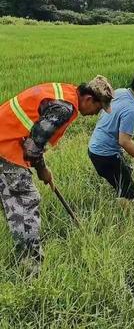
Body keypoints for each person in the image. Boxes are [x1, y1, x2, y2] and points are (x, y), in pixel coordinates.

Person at [0, 76, 113, 269]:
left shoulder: (64, 91)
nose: (96, 113)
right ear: (88, 99)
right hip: (6, 148)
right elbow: (33, 145)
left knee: (10, 199)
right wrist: (42, 169)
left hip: (5, 141)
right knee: (26, 202)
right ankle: (31, 270)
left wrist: (41, 166)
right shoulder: (65, 107)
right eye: (98, 107)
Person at [88, 74, 134, 205]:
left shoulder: (119, 92)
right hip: (105, 155)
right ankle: (123, 220)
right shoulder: (131, 110)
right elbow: (124, 141)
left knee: (124, 174)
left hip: (94, 147)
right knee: (127, 191)